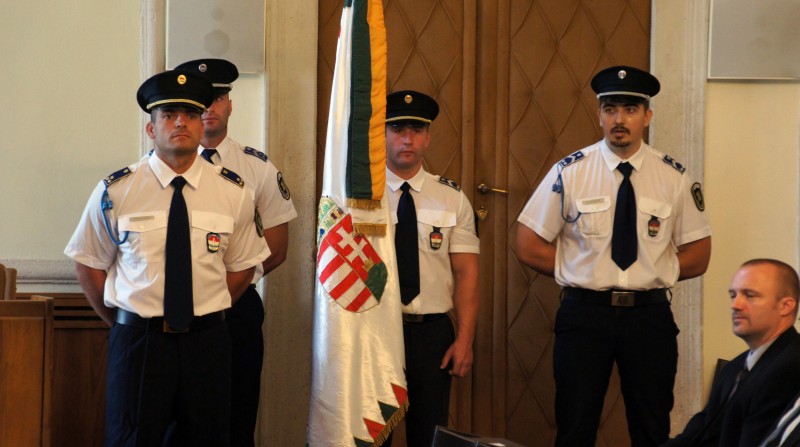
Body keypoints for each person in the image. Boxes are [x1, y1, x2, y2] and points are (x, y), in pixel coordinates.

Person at [64, 69, 269, 446]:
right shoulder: (117, 190)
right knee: (131, 439)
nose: (180, 123)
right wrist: (124, 321)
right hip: (140, 344)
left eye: (190, 115)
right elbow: (88, 263)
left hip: (207, 344)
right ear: (151, 128)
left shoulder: (232, 191)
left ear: (201, 124)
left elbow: (242, 267)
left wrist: (205, 308)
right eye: (169, 115)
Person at [514, 65, 712, 447]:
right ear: (599, 115)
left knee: (651, 427)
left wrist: (656, 270)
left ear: (647, 116)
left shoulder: (673, 177)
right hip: (585, 315)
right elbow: (527, 243)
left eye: (630, 109)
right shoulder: (571, 172)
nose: (619, 119)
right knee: (575, 427)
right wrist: (575, 269)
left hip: (649, 317)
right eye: (610, 109)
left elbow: (699, 253)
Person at [175, 58, 298, 447]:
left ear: (230, 104)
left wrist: (233, 286)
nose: (209, 107)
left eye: (217, 98)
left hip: (236, 308)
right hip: (175, 307)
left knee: (236, 416)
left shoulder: (257, 167)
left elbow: (276, 248)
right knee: (177, 421)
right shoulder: (163, 164)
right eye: (200, 101)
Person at [384, 89, 480, 447]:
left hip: (431, 333)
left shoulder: (451, 198)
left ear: (428, 136)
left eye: (416, 130)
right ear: (382, 135)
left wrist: (464, 340)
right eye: (397, 130)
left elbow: (467, 274)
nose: (407, 139)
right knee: (374, 436)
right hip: (377, 331)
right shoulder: (360, 198)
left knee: (428, 434)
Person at [665, 259, 800, 447]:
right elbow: (695, 436)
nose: (735, 305)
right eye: (733, 295)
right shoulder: (735, 367)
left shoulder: (790, 367)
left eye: (750, 296)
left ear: (785, 306)